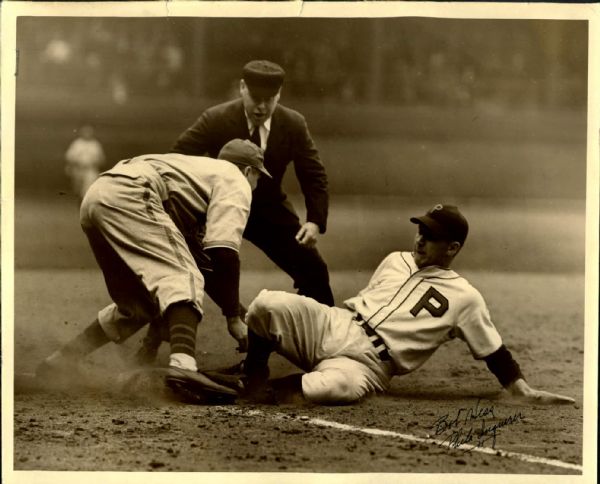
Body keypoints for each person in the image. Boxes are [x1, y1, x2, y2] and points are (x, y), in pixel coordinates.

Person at [207, 204, 576, 406]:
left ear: (453, 248)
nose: (420, 238)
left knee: (334, 388)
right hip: (335, 323)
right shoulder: (395, 258)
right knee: (267, 304)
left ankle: (265, 392)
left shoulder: (466, 298)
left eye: (431, 236)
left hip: (368, 364)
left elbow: (493, 350)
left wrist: (520, 388)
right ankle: (251, 375)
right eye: (421, 229)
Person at [36, 139, 270, 402]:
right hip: (133, 192)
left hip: (97, 196)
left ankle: (61, 362)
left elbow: (209, 269)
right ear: (249, 170)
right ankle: (183, 368)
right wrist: (232, 319)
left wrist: (237, 311)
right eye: (258, 177)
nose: (256, 184)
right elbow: (223, 252)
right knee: (183, 279)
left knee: (138, 306)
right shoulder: (234, 178)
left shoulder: (197, 177)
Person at [170, 59, 333, 307]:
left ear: (279, 94)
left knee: (313, 269)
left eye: (269, 99)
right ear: (242, 87)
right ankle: (157, 335)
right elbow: (179, 157)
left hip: (268, 210)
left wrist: (314, 221)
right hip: (219, 207)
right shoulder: (216, 118)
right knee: (184, 267)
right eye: (256, 97)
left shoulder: (293, 124)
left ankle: (325, 333)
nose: (261, 107)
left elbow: (313, 173)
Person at [64, 124, 106, 201]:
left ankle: (86, 204)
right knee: (78, 190)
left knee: (88, 189)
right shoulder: (77, 143)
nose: (87, 134)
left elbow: (101, 159)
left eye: (89, 132)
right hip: (78, 169)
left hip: (90, 170)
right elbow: (69, 157)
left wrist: (95, 162)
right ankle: (80, 204)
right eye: (85, 132)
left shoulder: (95, 144)